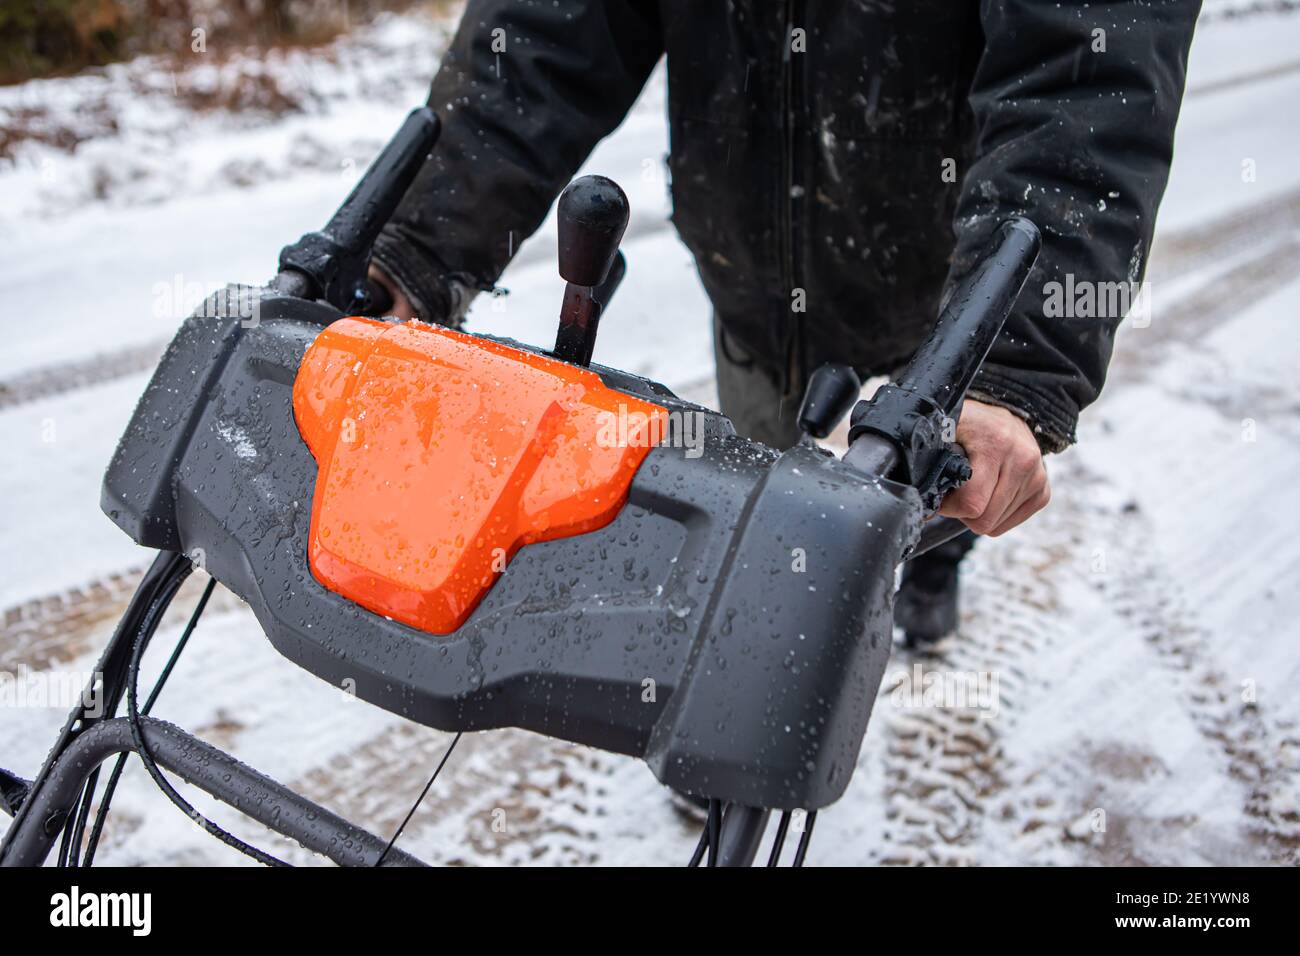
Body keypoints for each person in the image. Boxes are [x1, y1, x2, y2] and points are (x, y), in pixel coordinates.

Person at [367, 0, 1199, 643]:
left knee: (943, 468)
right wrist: (409, 248)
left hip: (934, 283)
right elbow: (543, 34)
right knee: (766, 504)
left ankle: (932, 568)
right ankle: (744, 673)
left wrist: (1008, 359)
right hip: (751, 284)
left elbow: (1085, 77)